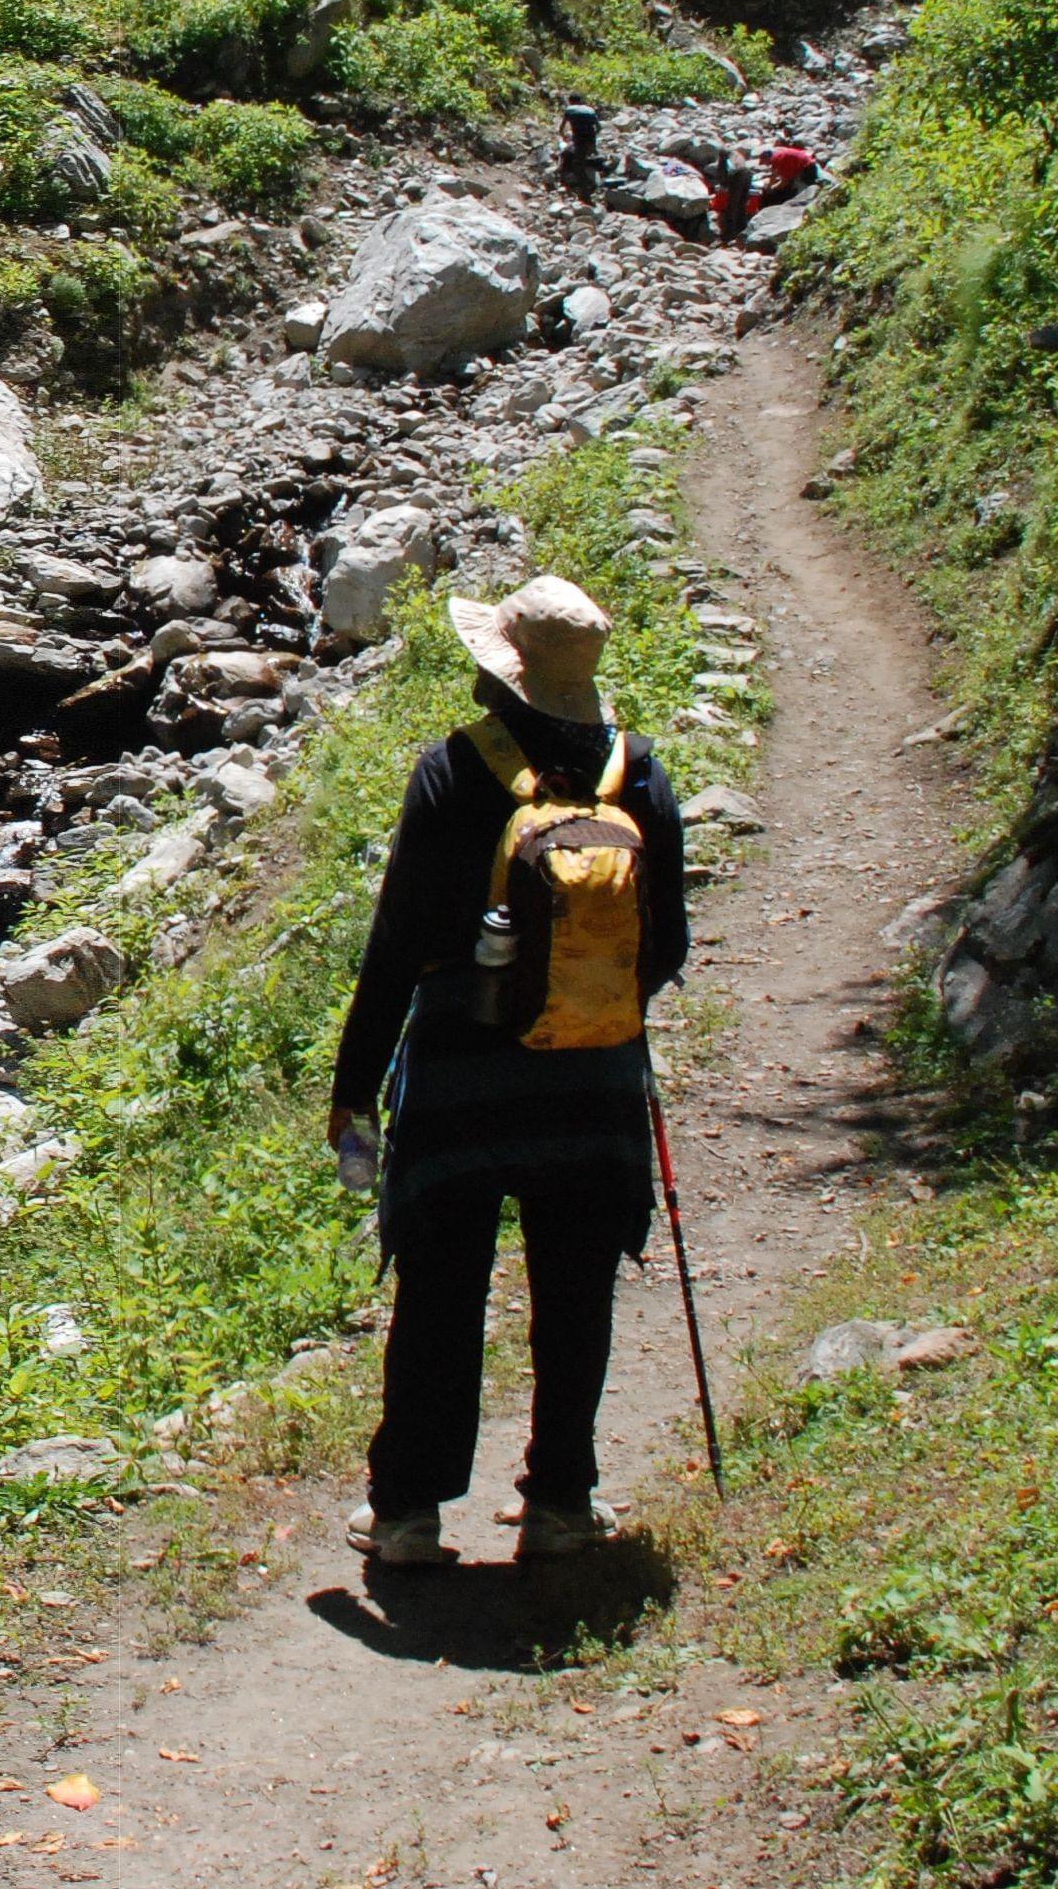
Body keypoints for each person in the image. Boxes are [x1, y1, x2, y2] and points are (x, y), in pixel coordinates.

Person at [325, 576, 692, 1567]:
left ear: (502, 677)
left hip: (460, 1082)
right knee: (575, 1289)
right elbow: (666, 947)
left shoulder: (452, 771)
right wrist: (587, 1005)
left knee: (442, 1291)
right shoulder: (640, 775)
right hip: (598, 1080)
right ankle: (561, 1502)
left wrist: (354, 1086)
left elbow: (396, 944)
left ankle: (406, 1512)